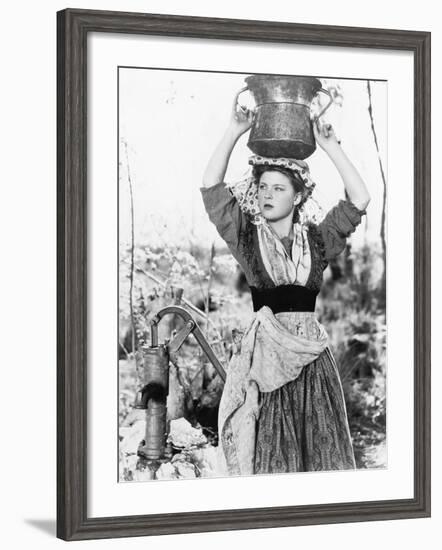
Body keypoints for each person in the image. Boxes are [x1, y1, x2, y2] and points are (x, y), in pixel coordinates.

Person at [200, 87, 371, 476]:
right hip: (267, 364)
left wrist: (330, 146)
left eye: (278, 188)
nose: (266, 194)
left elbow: (359, 199)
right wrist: (233, 131)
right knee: (275, 459)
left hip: (313, 364)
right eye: (262, 187)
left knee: (321, 458)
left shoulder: (317, 240)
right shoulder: (246, 238)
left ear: (297, 197)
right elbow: (211, 189)